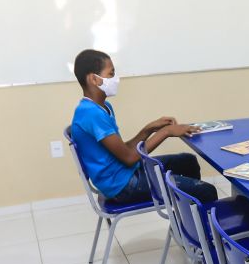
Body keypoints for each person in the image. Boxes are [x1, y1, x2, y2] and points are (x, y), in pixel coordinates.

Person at [68, 49, 218, 205]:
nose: (116, 79)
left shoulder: (103, 107)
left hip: (125, 173)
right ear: (94, 79)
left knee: (188, 162)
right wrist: (166, 132)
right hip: (122, 186)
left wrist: (149, 129)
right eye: (111, 74)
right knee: (206, 191)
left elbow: (123, 150)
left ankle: (186, 218)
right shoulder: (91, 114)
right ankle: (192, 225)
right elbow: (129, 158)